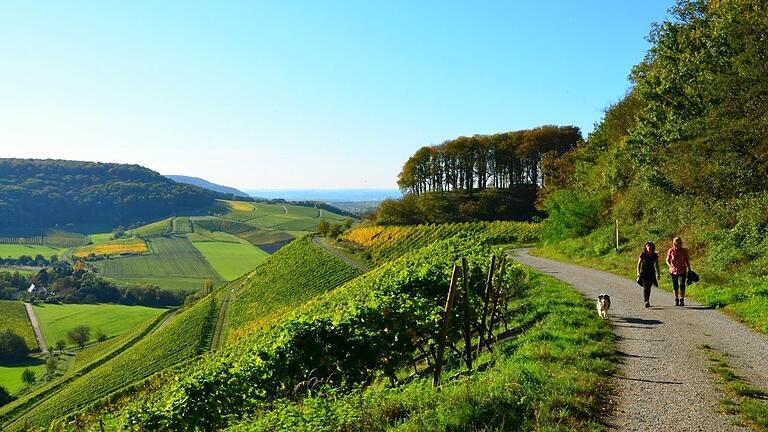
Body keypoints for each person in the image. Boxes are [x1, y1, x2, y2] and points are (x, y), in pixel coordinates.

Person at [665, 236, 691, 306]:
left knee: (682, 284)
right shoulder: (671, 250)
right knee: (675, 285)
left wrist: (689, 268)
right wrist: (670, 266)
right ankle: (676, 299)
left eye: (679, 243)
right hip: (673, 271)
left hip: (682, 270)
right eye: (676, 243)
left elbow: (686, 260)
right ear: (674, 243)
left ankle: (682, 299)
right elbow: (667, 260)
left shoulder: (684, 251)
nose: (677, 244)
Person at [637, 241, 660, 308]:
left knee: (648, 288)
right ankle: (646, 301)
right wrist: (638, 272)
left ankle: (647, 300)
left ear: (653, 247)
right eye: (647, 246)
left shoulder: (655, 255)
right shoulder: (643, 254)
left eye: (650, 246)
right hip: (643, 273)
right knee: (646, 287)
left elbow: (657, 264)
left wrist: (658, 273)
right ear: (645, 247)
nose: (649, 247)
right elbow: (639, 264)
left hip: (651, 273)